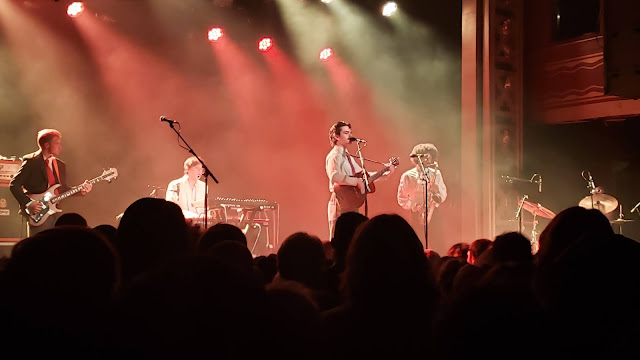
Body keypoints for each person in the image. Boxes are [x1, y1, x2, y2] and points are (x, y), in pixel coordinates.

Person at [9, 129, 92, 236]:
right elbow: (14, 185)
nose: (60, 146)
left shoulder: (60, 165)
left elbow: (62, 190)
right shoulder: (32, 162)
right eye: (57, 143)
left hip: (56, 213)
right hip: (38, 211)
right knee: (39, 245)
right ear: (47, 145)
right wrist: (29, 203)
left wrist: (81, 191)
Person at [325, 121, 395, 238]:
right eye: (346, 133)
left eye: (350, 133)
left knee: (352, 235)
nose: (350, 136)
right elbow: (335, 176)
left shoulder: (347, 157)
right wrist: (356, 182)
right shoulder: (335, 156)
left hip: (351, 201)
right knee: (339, 237)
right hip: (340, 201)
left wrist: (385, 173)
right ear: (336, 136)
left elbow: (364, 178)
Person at [397, 143, 447, 248]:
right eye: (426, 156)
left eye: (430, 156)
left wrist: (436, 193)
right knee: (417, 242)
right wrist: (414, 205)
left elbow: (443, 192)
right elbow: (402, 198)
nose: (429, 159)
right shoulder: (408, 176)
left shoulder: (436, 173)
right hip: (416, 213)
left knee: (437, 241)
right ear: (418, 158)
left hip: (433, 211)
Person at [166, 156, 206, 220]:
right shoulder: (175, 185)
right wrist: (187, 214)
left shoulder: (203, 186)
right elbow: (171, 208)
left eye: (202, 169)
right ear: (187, 169)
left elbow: (205, 206)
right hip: (181, 222)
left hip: (199, 224)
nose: (200, 172)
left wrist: (205, 214)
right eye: (197, 168)